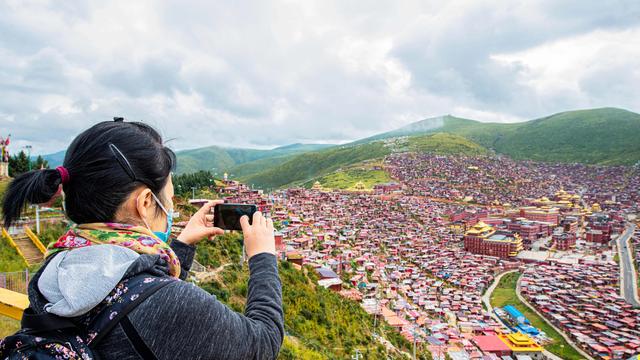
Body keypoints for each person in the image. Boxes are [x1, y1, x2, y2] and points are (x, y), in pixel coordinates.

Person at [1, 120, 283, 359]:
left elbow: (135, 303)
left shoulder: (55, 268)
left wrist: (182, 245)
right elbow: (264, 342)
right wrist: (263, 258)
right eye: (168, 200)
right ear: (146, 202)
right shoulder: (168, 304)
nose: (170, 209)